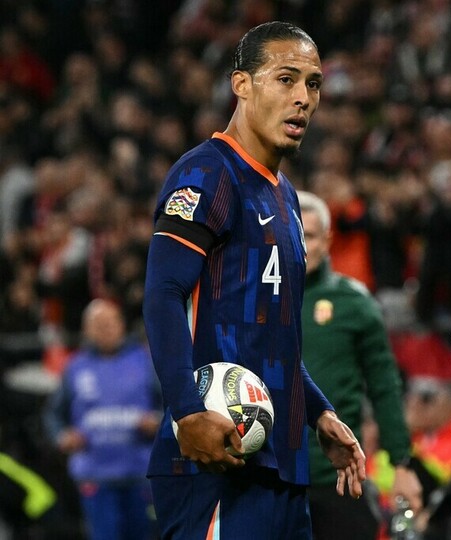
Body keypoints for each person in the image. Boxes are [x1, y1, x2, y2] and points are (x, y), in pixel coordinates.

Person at [142, 22, 366, 540]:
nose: (303, 98)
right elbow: (163, 294)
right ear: (241, 84)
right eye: (286, 79)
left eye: (313, 84)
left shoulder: (286, 197)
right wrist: (187, 414)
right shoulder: (207, 173)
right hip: (214, 459)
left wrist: (319, 413)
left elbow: (273, 337)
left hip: (281, 465)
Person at [297, 190, 422, 540]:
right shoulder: (259, 301)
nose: (302, 246)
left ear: (328, 240)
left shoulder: (354, 304)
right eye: (295, 235)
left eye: (310, 236)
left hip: (337, 476)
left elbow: (385, 387)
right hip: (272, 476)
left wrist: (401, 462)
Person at [44, 299, 161, 540]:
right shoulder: (75, 367)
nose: (105, 329)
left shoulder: (145, 361)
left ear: (121, 325)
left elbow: (169, 404)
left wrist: (158, 421)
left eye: (110, 323)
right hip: (95, 474)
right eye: (98, 325)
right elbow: (53, 413)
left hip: (140, 472)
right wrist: (62, 436)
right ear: (86, 330)